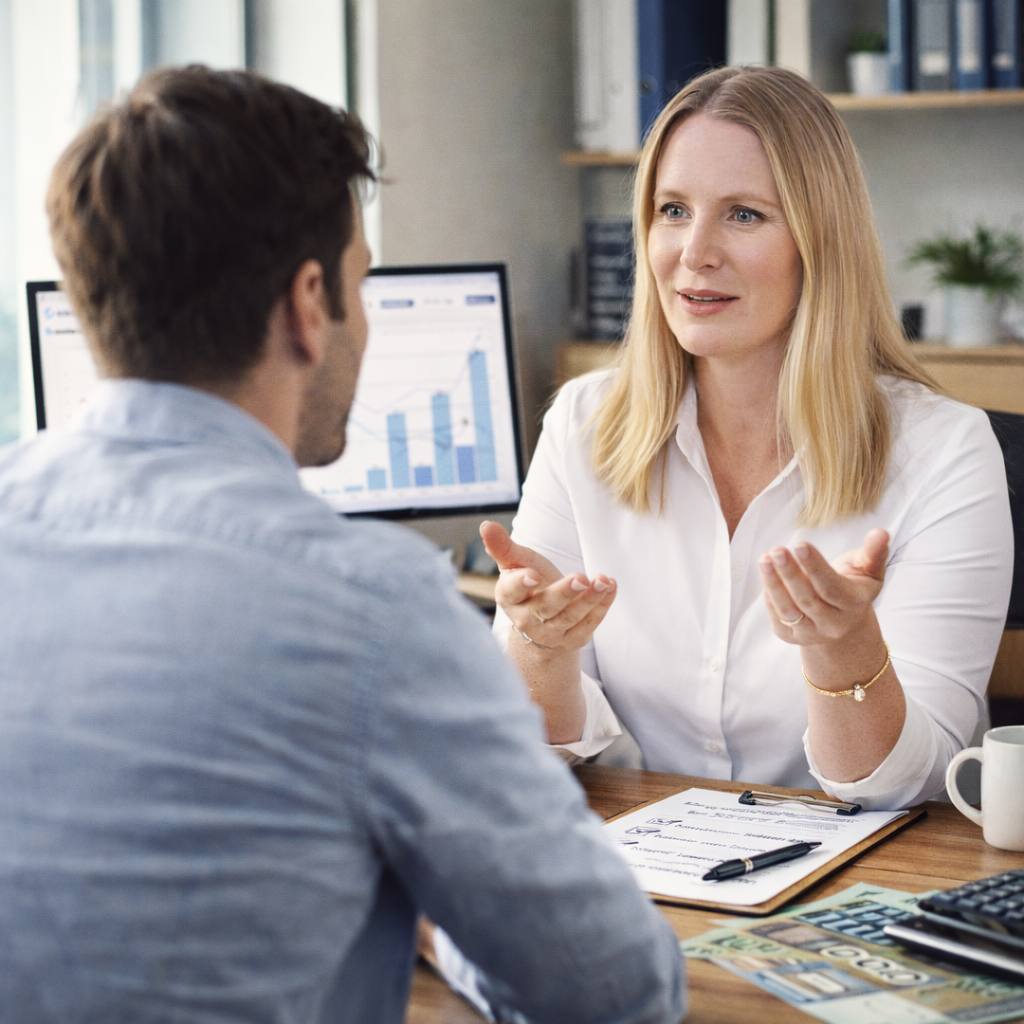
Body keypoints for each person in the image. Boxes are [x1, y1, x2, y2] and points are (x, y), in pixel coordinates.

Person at [0, 67, 686, 1024]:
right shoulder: (374, 610)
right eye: (363, 285)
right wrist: (434, 916)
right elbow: (613, 990)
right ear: (307, 301)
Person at [483, 65, 1013, 811]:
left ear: (818, 242)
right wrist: (542, 649)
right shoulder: (581, 423)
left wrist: (841, 647)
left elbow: (920, 783)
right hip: (647, 863)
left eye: (744, 215)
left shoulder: (945, 451)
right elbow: (531, 750)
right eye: (673, 209)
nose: (694, 252)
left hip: (864, 883)